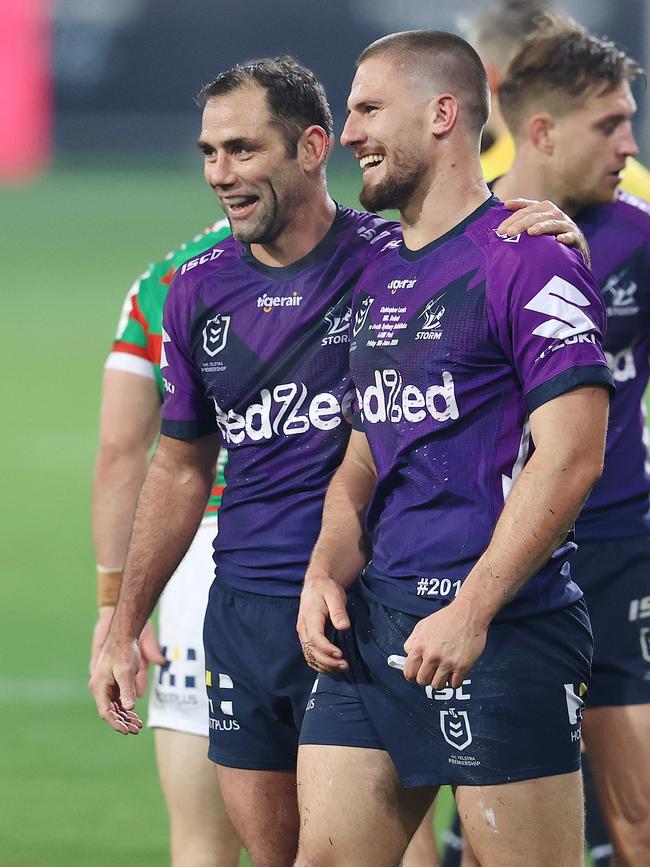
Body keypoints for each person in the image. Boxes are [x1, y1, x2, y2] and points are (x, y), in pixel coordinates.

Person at [89, 55, 590, 867]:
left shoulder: (395, 256)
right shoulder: (193, 290)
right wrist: (121, 615)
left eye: (243, 149)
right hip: (258, 610)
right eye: (209, 153)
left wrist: (557, 229)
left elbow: (481, 242)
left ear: (311, 146)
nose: (221, 172)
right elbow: (182, 465)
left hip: (399, 610)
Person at [295, 30, 614, 867]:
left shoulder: (530, 258)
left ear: (442, 114)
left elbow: (573, 455)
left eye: (367, 108)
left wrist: (471, 611)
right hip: (374, 626)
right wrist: (326, 566)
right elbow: (366, 451)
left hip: (502, 632)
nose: (351, 130)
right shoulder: (373, 270)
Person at [493, 18, 650, 865]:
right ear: (543, 131)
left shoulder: (641, 234)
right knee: (496, 833)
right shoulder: (464, 240)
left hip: (617, 543)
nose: (630, 142)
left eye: (630, 120)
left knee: (642, 817)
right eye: (611, 125)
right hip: (496, 559)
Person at [90, 221, 242, 867]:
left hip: (191, 568)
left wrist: (115, 606)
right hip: (329, 550)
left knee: (202, 841)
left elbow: (120, 451)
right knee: (372, 838)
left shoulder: (164, 281)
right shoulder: (363, 257)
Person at [467, 0, 650, 202]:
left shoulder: (470, 186)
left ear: (485, 77)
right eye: (608, 125)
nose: (630, 147)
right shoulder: (639, 183)